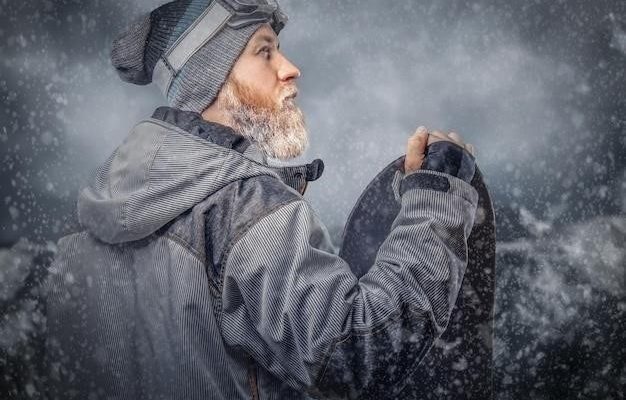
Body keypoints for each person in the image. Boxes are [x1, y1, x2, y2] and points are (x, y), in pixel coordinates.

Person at [45, 0, 479, 399]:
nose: (290, 69)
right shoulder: (245, 206)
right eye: (264, 51)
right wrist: (435, 200)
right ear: (210, 77)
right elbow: (357, 353)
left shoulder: (82, 224)